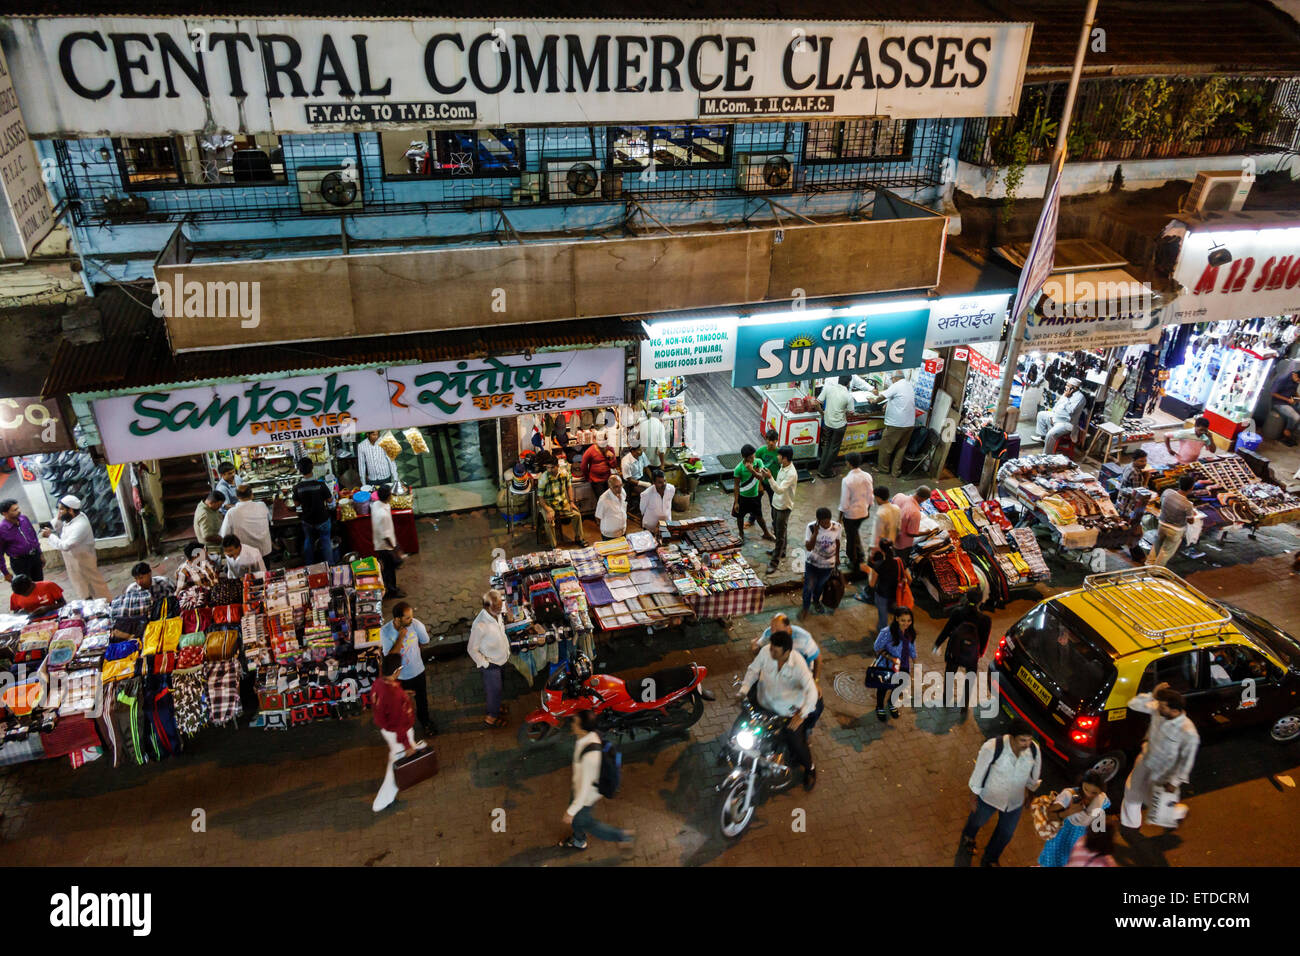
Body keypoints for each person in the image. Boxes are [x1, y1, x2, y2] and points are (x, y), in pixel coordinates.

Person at [738, 630, 819, 790]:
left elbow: (812, 692)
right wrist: (744, 690)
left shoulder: (798, 665)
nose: (771, 651)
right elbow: (753, 670)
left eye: (775, 650)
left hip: (786, 712)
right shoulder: (765, 652)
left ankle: (810, 769)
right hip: (763, 705)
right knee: (740, 726)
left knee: (796, 741)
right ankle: (729, 751)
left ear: (787, 652)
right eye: (771, 647)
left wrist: (801, 715)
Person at [959, 721, 1042, 867]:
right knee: (977, 821)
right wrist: (973, 796)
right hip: (990, 797)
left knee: (1006, 834)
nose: (1027, 744)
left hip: (1015, 801)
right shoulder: (993, 747)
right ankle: (968, 837)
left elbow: (1034, 774)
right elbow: (979, 772)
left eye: (1029, 740)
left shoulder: (1034, 750)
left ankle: (990, 858)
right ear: (1012, 737)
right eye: (1023, 740)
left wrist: (1030, 793)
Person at [1120, 682, 1199, 831]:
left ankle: (1177, 812)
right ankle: (1130, 824)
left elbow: (1187, 761)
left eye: (1163, 706)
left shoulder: (1188, 732)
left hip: (1164, 771)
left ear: (1175, 710)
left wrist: (1174, 782)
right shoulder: (1159, 711)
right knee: (1132, 788)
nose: (1158, 707)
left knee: (1155, 801)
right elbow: (1133, 704)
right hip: (1146, 758)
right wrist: (1153, 694)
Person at [558, 709, 636, 850]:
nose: (572, 724)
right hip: (580, 788)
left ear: (582, 728)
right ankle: (579, 839)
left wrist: (570, 812)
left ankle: (622, 836)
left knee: (585, 822)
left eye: (575, 722)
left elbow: (584, 790)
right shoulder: (588, 735)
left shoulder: (590, 757)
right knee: (578, 819)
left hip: (586, 796)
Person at [371, 651, 427, 813]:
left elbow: (383, 704)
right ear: (396, 671)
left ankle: (385, 798)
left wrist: (403, 695)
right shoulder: (393, 694)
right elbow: (398, 723)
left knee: (398, 760)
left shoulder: (379, 684)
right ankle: (382, 801)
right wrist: (407, 745)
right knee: (396, 767)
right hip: (398, 734)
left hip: (388, 730)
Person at [752, 613, 824, 737]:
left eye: (777, 630)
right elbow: (759, 647)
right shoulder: (769, 633)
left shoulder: (804, 638)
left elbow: (818, 659)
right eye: (772, 629)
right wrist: (754, 647)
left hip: (800, 677)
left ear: (788, 628)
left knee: (817, 705)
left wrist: (815, 681)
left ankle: (807, 729)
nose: (773, 633)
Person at [380, 601, 436, 736]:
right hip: (401, 676)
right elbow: (390, 656)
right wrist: (401, 637)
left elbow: (425, 641)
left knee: (422, 700)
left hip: (418, 671)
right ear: (397, 619)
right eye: (407, 618)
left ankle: (425, 722)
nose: (411, 620)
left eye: (411, 616)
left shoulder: (416, 625)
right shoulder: (386, 631)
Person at [40, 495, 110, 600]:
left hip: (84, 560)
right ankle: (88, 603)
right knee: (81, 586)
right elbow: (58, 527)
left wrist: (50, 536)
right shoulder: (70, 518)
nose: (59, 512)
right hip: (73, 560)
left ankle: (107, 603)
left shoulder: (80, 525)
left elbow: (65, 546)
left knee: (96, 585)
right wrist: (59, 517)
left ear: (71, 510)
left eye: (62, 509)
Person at [1038, 770, 1111, 867]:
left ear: (1101, 791)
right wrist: (1070, 811)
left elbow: (1099, 823)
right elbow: (1049, 814)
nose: (1088, 794)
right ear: (1081, 784)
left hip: (1080, 844)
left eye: (1094, 792)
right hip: (1060, 840)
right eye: (1085, 789)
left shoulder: (1101, 800)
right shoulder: (1068, 795)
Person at [933, 594, 992, 709]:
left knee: (950, 675)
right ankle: (964, 705)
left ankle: (946, 700)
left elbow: (946, 630)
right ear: (980, 602)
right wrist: (980, 653)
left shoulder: (957, 612)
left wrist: (937, 644)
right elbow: (984, 639)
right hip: (971, 654)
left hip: (955, 650)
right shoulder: (985, 619)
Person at [467, 589, 516, 727]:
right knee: (493, 691)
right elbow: (471, 649)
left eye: (500, 605)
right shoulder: (480, 625)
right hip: (491, 664)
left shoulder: (496, 614)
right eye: (496, 607)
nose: (500, 609)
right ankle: (491, 717)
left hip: (501, 659)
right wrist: (485, 664)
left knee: (498, 689)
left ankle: (496, 707)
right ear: (486, 607)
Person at [872, 605, 917, 721]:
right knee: (883, 687)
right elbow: (877, 647)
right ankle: (879, 706)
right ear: (896, 618)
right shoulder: (887, 632)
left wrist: (915, 661)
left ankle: (891, 703)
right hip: (887, 666)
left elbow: (912, 647)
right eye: (903, 620)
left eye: (909, 621)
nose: (906, 623)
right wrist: (891, 658)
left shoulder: (910, 632)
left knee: (899, 686)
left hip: (904, 666)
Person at [536, 451, 587, 548]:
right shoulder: (543, 478)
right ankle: (553, 546)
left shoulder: (564, 474)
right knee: (549, 522)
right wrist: (548, 509)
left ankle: (579, 538)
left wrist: (571, 502)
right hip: (547, 504)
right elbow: (540, 498)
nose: (550, 470)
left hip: (562, 503)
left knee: (577, 514)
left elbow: (569, 487)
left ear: (557, 466)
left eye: (552, 467)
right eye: (548, 467)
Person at [872, 371, 917, 477]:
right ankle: (896, 472)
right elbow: (901, 399)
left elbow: (881, 397)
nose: (891, 381)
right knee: (901, 448)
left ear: (895, 378)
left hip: (896, 424)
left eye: (892, 379)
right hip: (909, 424)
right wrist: (889, 403)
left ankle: (883, 468)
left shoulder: (897, 385)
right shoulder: (908, 385)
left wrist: (873, 401)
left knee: (885, 447)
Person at [1145, 474, 1197, 567]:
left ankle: (1148, 564)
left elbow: (1161, 503)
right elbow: (1191, 521)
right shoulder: (1187, 504)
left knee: (1157, 544)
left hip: (1162, 524)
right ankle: (1155, 570)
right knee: (1166, 551)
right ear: (1191, 488)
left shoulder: (1167, 492)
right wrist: (1192, 514)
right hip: (1175, 530)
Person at [800, 507, 842, 619]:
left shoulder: (837, 527)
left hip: (828, 566)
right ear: (818, 520)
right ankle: (805, 607)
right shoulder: (811, 527)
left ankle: (816, 601)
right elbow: (809, 547)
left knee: (820, 586)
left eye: (827, 521)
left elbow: (837, 542)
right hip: (812, 564)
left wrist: (837, 557)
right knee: (808, 587)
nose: (825, 524)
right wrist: (816, 533)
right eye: (822, 522)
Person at [293, 456, 335, 566]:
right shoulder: (320, 485)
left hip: (307, 520)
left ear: (300, 470)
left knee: (308, 541)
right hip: (322, 519)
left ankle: (309, 566)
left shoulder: (297, 487)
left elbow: (296, 504)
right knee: (326, 542)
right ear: (312, 468)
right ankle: (330, 565)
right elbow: (330, 500)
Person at [838, 452, 873, 574]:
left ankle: (853, 561)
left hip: (851, 515)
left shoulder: (847, 480)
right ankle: (860, 555)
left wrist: (840, 517)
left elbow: (844, 503)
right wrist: (867, 510)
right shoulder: (867, 476)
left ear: (849, 463)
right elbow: (870, 496)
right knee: (854, 533)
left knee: (851, 537)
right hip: (863, 512)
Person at [732, 444, 773, 544]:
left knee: (759, 516)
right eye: (750, 457)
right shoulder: (739, 468)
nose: (753, 458)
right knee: (740, 517)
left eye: (753, 455)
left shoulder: (758, 462)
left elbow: (762, 477)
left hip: (755, 497)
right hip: (743, 497)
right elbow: (736, 486)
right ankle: (741, 534)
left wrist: (752, 470)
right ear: (744, 457)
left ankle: (766, 533)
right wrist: (736, 502)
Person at [813, 375, 852, 479]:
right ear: (848, 383)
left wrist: (822, 413)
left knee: (826, 445)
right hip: (840, 425)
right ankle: (825, 471)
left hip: (827, 423)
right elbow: (851, 412)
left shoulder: (828, 388)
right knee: (834, 448)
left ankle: (821, 468)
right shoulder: (848, 396)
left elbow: (816, 403)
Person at [1034, 377, 1086, 455]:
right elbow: (1057, 405)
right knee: (1041, 414)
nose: (1066, 387)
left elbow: (1070, 411)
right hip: (1057, 417)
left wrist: (1066, 398)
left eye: (1068, 385)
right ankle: (1043, 437)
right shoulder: (1067, 393)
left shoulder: (1080, 397)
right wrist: (1053, 415)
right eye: (1066, 385)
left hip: (1067, 423)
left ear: (1074, 388)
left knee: (1051, 434)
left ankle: (1047, 454)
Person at [767, 445, 798, 575]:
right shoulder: (783, 466)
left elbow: (779, 490)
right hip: (776, 504)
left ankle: (774, 562)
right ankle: (782, 551)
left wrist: (769, 477)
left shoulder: (791, 473)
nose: (777, 457)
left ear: (785, 458)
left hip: (784, 506)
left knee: (779, 535)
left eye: (779, 455)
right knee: (779, 529)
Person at [220, 485, 273, 559]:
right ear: (252, 495)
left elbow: (224, 535)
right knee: (265, 570)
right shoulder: (262, 505)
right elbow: (269, 520)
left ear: (237, 496)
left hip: (245, 554)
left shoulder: (232, 512)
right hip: (264, 550)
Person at [862, 541, 905, 632]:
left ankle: (883, 636)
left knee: (883, 618)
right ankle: (897, 633)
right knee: (896, 615)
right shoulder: (899, 561)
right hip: (895, 594)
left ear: (881, 551)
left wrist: (869, 570)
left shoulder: (879, 565)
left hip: (882, 595)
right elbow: (909, 579)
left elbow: (872, 584)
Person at [371, 484, 405, 599]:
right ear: (388, 496)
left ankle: (389, 587)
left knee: (388, 568)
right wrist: (395, 548)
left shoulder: (376, 505)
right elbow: (385, 536)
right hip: (386, 547)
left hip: (380, 544)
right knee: (390, 570)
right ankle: (392, 591)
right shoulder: (383, 514)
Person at [111, 561, 176, 620]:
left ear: (149, 573)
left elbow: (174, 600)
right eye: (136, 579)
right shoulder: (132, 590)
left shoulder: (164, 583)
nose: (139, 582)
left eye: (141, 578)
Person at [0, 498, 44, 584]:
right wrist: (5, 573)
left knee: (40, 584)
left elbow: (33, 537)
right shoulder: (2, 530)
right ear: (5, 513)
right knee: (27, 587)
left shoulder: (24, 519)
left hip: (34, 557)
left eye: (18, 508)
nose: (19, 511)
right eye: (15, 510)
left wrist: (40, 554)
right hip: (20, 563)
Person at [892, 486, 928, 560]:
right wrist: (926, 532)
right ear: (923, 499)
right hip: (902, 544)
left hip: (890, 533)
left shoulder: (899, 496)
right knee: (901, 562)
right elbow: (911, 533)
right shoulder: (915, 512)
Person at [754, 428, 781, 523]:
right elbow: (755, 468)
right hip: (761, 480)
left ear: (777, 440)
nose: (771, 443)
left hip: (772, 482)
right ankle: (751, 520)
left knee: (773, 504)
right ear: (766, 439)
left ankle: (775, 523)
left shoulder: (779, 453)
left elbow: (782, 468)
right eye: (769, 440)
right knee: (755, 502)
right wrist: (759, 483)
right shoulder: (760, 451)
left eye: (773, 440)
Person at [1269, 365, 1300, 446]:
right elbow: (1272, 393)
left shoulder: (1295, 381)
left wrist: (1298, 397)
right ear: (1295, 375)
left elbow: (1294, 391)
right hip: (1279, 403)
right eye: (1298, 380)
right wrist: (1287, 400)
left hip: (1288, 402)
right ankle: (1286, 434)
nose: (1298, 382)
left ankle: (1291, 431)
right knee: (1296, 417)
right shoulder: (1282, 379)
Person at [639, 468, 675, 536]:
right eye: (660, 482)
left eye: (664, 481)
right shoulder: (646, 494)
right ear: (654, 482)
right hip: (650, 528)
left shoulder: (671, 489)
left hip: (666, 525)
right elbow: (642, 510)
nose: (663, 484)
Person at [594, 473, 628, 540]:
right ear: (610, 487)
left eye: (621, 485)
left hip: (622, 532)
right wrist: (607, 528)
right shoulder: (603, 499)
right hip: (609, 536)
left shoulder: (623, 492)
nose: (619, 489)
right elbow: (598, 517)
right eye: (616, 487)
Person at [620, 440, 651, 505]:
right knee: (645, 493)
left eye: (641, 449)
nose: (641, 451)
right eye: (639, 450)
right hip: (632, 482)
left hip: (642, 477)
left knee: (654, 489)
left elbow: (647, 468)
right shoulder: (626, 461)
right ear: (633, 452)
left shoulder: (641, 454)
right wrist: (644, 484)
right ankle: (643, 510)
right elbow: (629, 479)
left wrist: (652, 479)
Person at [871, 486, 900, 553]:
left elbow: (876, 535)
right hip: (892, 543)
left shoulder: (880, 514)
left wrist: (872, 550)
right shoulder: (897, 508)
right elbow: (898, 528)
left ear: (878, 498)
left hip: (881, 548)